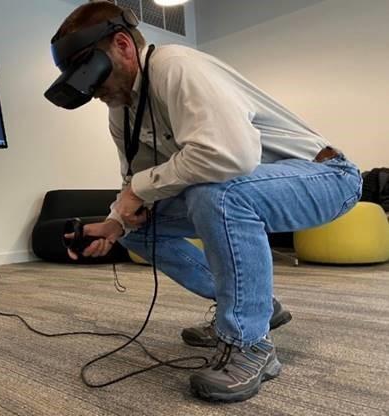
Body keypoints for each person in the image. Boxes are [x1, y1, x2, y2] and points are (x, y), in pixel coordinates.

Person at [47, 2, 362, 402]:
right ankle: (255, 304)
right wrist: (115, 223)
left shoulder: (176, 67)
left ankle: (251, 344)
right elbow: (136, 187)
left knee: (217, 193)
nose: (93, 93)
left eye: (91, 75)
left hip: (326, 177)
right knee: (139, 231)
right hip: (247, 187)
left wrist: (137, 191)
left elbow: (229, 156)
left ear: (124, 46)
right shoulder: (122, 112)